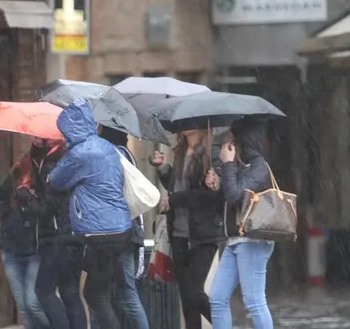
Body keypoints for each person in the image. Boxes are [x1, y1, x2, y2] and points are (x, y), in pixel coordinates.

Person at [49, 99, 132, 329]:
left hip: (101, 233)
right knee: (101, 291)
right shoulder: (104, 146)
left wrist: (66, 152)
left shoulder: (81, 153)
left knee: (95, 294)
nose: (63, 136)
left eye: (64, 132)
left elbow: (55, 180)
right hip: (120, 228)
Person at [150, 128, 223, 329]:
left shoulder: (212, 154)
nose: (184, 126)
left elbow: (208, 196)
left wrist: (176, 199)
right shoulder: (181, 153)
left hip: (203, 235)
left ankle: (224, 324)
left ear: (201, 127)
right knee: (187, 299)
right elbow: (176, 187)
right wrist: (163, 168)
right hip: (179, 233)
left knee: (194, 292)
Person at [205, 118, 274, 329]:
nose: (228, 144)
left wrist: (227, 165)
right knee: (217, 297)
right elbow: (229, 198)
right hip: (235, 240)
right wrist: (218, 185)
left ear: (244, 140)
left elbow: (236, 195)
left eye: (232, 139)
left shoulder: (259, 166)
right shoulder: (241, 166)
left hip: (253, 241)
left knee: (254, 301)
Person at [18, 137, 86, 329]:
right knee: (70, 292)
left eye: (37, 134)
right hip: (72, 235)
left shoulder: (52, 165)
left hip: (58, 238)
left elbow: (46, 208)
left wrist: (26, 197)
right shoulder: (61, 159)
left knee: (44, 290)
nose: (33, 136)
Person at [0, 141, 51, 329]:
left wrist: (28, 198)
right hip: (11, 249)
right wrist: (6, 216)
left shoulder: (46, 178)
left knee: (33, 303)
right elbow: (0, 196)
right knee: (24, 307)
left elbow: (47, 210)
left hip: (35, 250)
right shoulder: (16, 173)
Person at [98, 126, 149, 329]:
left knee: (107, 293)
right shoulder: (125, 153)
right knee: (122, 292)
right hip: (126, 230)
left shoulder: (110, 155)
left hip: (114, 230)